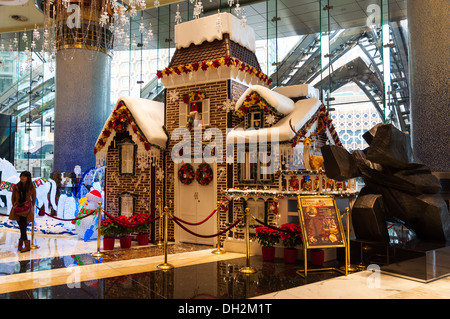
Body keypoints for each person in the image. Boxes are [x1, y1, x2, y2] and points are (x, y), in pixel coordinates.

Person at [9, 171, 36, 253]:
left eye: (24, 176)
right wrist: (15, 205)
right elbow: (13, 198)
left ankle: (23, 245)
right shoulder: (16, 186)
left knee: (23, 228)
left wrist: (30, 207)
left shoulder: (31, 187)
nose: (22, 178)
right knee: (22, 227)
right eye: (21, 176)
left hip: (27, 211)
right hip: (17, 210)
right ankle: (24, 245)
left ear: (28, 178)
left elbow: (34, 199)